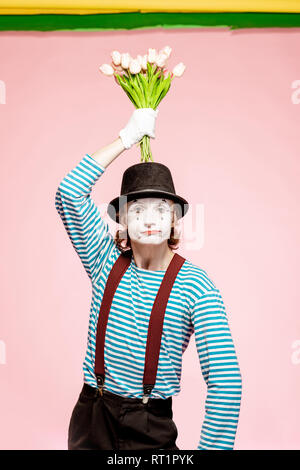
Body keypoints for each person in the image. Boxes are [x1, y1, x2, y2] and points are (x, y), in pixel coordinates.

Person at [55, 108, 242, 450]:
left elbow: (226, 382)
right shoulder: (103, 259)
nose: (150, 219)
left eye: (160, 209)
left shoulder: (197, 286)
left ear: (174, 219)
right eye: (138, 210)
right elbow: (68, 193)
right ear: (122, 220)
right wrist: (125, 139)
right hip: (91, 415)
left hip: (148, 425)